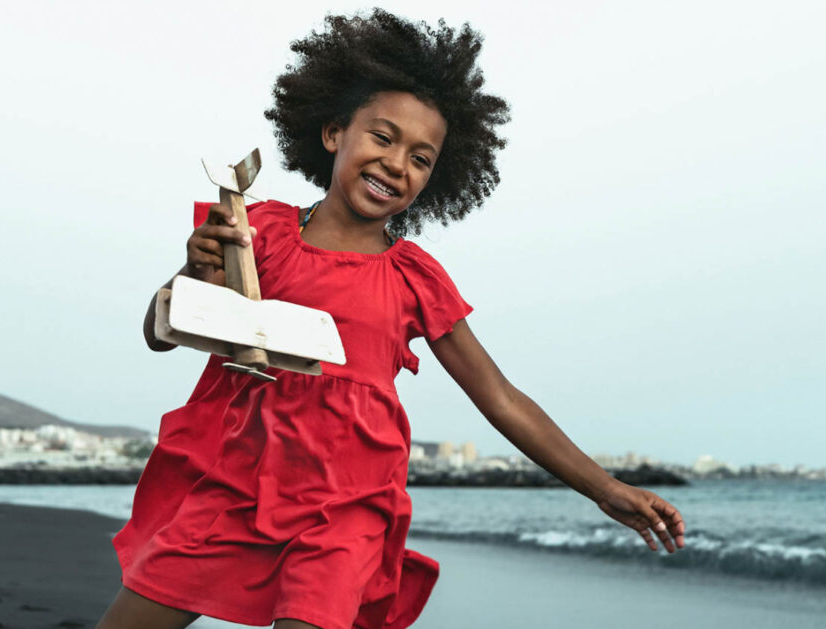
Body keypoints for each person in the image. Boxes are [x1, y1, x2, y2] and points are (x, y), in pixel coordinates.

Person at [98, 9, 685, 629]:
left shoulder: (413, 277)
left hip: (346, 507)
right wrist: (190, 274)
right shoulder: (257, 234)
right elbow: (158, 335)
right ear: (332, 134)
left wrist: (606, 488)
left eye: (422, 157)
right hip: (236, 485)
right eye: (382, 137)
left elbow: (500, 398)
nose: (398, 164)